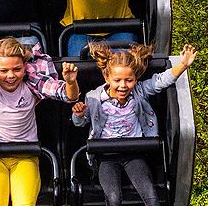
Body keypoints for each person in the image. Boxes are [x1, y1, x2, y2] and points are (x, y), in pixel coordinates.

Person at [0, 37, 79, 206]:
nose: (11, 75)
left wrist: (71, 82)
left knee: (25, 202)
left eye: (17, 69)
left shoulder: (31, 82)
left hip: (25, 156)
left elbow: (68, 95)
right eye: (4, 70)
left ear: (24, 67)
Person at [71, 42, 197, 206]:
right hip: (105, 155)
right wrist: (78, 114)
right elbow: (80, 123)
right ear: (106, 77)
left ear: (135, 79)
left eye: (128, 80)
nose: (123, 86)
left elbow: (160, 81)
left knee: (151, 196)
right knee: (114, 198)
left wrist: (182, 65)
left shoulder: (139, 91)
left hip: (133, 153)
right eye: (117, 80)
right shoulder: (94, 98)